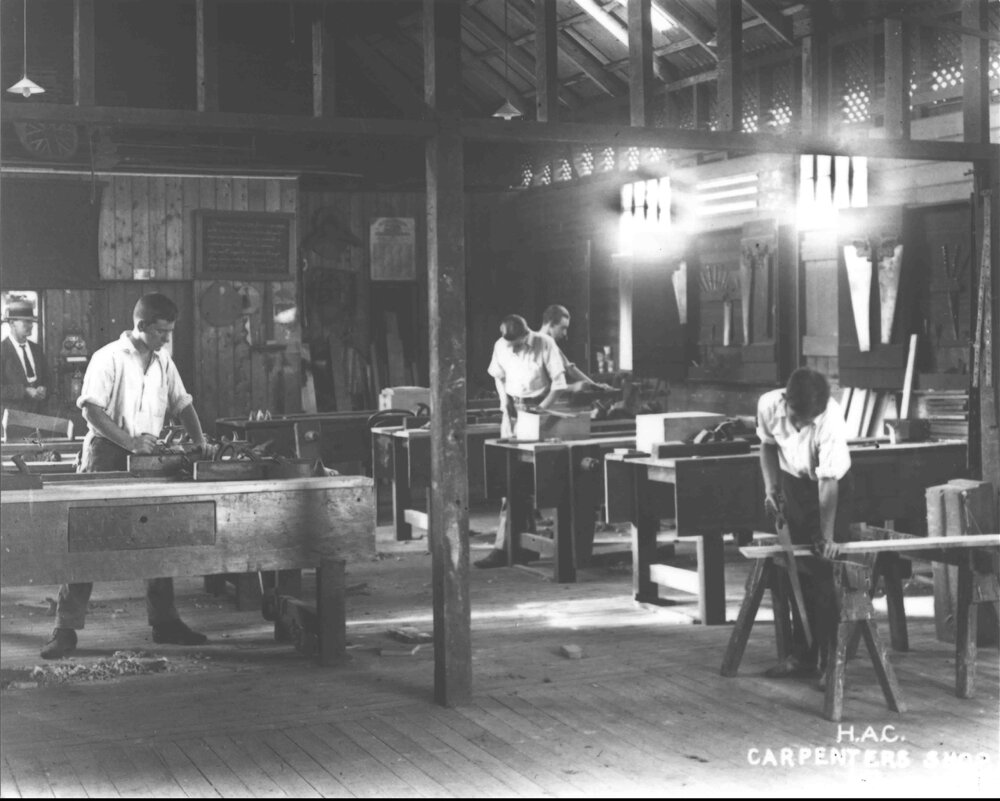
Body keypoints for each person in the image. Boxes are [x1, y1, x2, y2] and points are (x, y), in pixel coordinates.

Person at [40, 293, 215, 659]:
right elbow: (91, 412)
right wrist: (130, 442)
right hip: (106, 454)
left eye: (169, 332)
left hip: (147, 460)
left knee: (157, 537)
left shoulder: (163, 360)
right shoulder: (108, 358)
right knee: (85, 540)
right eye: (161, 332)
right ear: (141, 326)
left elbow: (183, 403)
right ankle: (65, 630)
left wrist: (201, 443)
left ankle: (165, 622)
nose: (166, 339)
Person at [756, 367, 853, 687]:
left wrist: (826, 535)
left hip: (829, 488)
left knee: (824, 571)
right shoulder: (769, 405)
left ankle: (831, 661)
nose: (802, 424)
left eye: (809, 419)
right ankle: (802, 656)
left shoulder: (831, 420)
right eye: (798, 417)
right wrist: (771, 487)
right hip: (793, 485)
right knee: (796, 571)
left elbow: (828, 482)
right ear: (786, 401)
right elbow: (768, 446)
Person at [475, 314, 567, 569]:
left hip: (540, 409)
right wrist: (504, 401)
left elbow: (559, 385)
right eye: (510, 345)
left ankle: (511, 547)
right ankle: (515, 547)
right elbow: (498, 375)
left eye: (518, 344)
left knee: (532, 479)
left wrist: (540, 411)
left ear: (526, 335)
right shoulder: (501, 345)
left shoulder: (545, 343)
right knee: (511, 479)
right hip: (513, 410)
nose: (513, 349)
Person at [1, 297, 51, 431]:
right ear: (12, 323)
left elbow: (47, 379)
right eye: (26, 322)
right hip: (12, 424)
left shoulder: (37, 350)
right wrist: (24, 391)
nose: (31, 326)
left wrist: (44, 388)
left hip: (39, 421)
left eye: (32, 322)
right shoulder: (2, 351)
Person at [538, 304, 612, 392]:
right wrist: (573, 387)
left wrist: (595, 386)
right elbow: (538, 388)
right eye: (563, 328)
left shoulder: (549, 343)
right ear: (551, 324)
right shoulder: (536, 343)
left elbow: (570, 368)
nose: (565, 333)